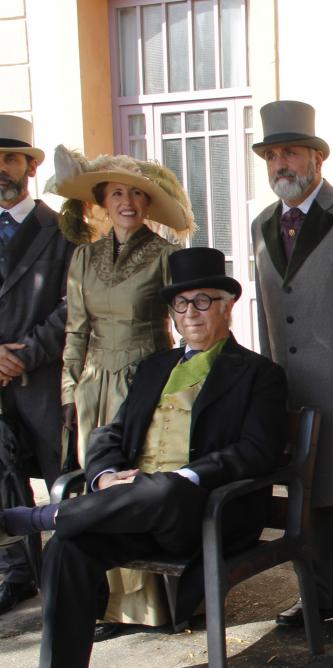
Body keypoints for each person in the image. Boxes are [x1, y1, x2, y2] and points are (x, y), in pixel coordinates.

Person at [3, 246, 288, 668]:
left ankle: (47, 516)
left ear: (228, 306)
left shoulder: (258, 375)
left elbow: (258, 451)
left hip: (205, 516)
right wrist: (106, 475)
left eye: (205, 301)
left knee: (168, 487)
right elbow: (110, 435)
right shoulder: (154, 368)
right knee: (71, 548)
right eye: (181, 305)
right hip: (130, 513)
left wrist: (189, 474)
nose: (193, 314)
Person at [51, 146, 195, 637]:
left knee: (141, 482)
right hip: (94, 386)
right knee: (99, 482)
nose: (127, 202)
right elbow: (75, 329)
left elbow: (184, 324)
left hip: (146, 380)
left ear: (149, 203)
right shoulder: (84, 257)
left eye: (137, 193)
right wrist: (71, 392)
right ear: (101, 202)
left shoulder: (165, 256)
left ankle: (155, 604)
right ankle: (106, 601)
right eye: (117, 193)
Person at [251, 100, 333, 638]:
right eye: (273, 154)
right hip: (292, 380)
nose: (282, 163)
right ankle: (319, 591)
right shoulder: (261, 224)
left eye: (292, 152)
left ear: (317, 159)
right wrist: (267, 379)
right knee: (308, 488)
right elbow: (264, 308)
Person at [0, 115, 72, 616]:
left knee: (60, 474)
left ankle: (69, 581)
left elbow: (74, 306)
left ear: (29, 165)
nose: (1, 170)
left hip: (44, 379)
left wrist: (23, 354)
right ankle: (16, 573)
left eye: (9, 159)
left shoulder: (61, 229)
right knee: (3, 479)